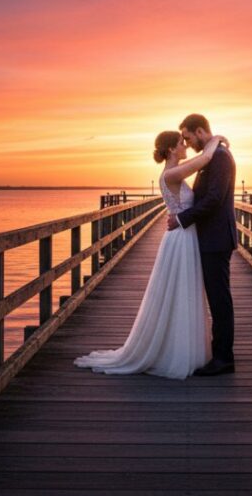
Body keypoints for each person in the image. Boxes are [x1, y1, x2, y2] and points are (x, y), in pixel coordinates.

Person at [73, 129, 228, 379]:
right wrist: (217, 139)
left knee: (184, 291)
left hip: (184, 235)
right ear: (171, 149)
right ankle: (176, 351)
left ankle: (183, 347)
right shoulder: (171, 173)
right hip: (181, 238)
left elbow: (201, 162)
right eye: (181, 143)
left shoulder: (174, 171)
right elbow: (206, 158)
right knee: (181, 290)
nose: (186, 146)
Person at [167, 113, 237, 376]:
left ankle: (224, 359)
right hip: (210, 237)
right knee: (216, 298)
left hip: (217, 239)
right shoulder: (212, 155)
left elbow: (215, 199)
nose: (187, 142)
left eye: (187, 137)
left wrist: (181, 219)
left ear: (199, 131)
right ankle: (219, 353)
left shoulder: (220, 157)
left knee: (219, 299)